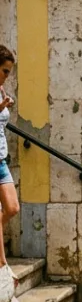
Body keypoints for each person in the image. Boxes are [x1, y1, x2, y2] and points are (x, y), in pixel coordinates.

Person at [0, 46, 18, 283]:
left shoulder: (1, 88)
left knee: (12, 208)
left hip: (1, 159)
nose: (7, 76)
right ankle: (3, 264)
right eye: (4, 71)